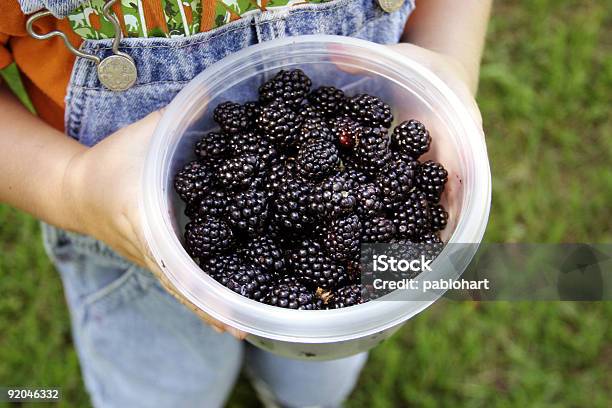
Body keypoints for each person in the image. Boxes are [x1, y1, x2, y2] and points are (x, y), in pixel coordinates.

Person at [0, 0, 490, 406]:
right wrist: (71, 183)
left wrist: (448, 64)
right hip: (124, 234)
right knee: (163, 390)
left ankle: (292, 392)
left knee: (317, 376)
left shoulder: (327, 192)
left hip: (346, 291)